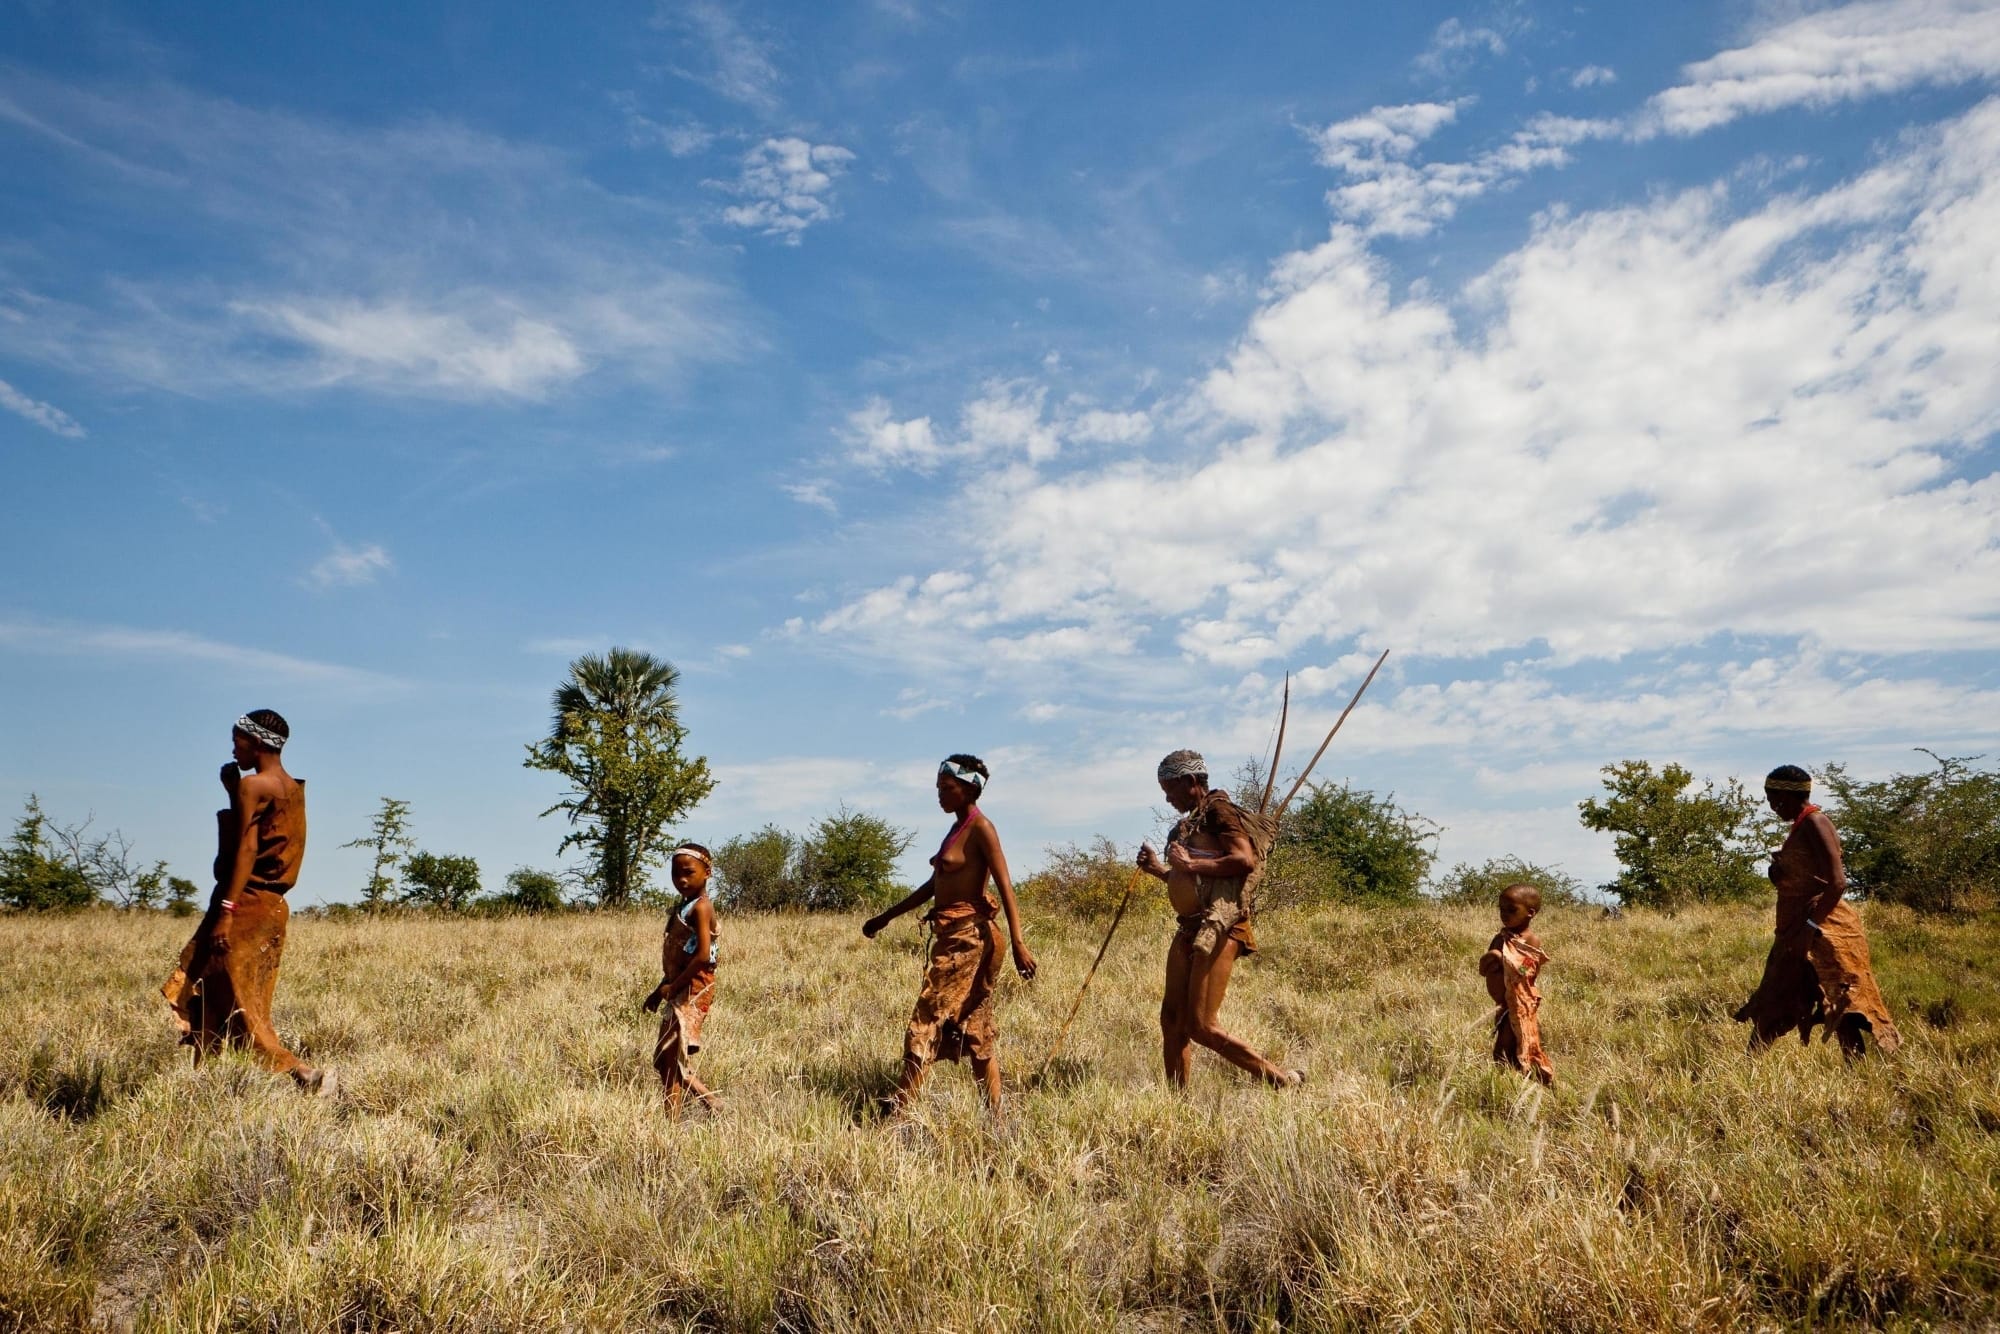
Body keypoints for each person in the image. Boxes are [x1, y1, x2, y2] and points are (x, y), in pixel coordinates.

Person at [161, 710, 325, 1093]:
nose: (233, 748)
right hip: (272, 907)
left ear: (257, 743)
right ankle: (208, 1085)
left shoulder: (255, 786)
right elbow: (266, 835)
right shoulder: (291, 787)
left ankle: (300, 1072)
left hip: (245, 904)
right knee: (223, 993)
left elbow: (246, 849)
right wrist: (232, 793)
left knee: (236, 1001)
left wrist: (226, 913)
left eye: (237, 740)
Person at [863, 755, 1036, 1116]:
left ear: (970, 788)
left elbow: (1005, 886)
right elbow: (934, 885)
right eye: (938, 788)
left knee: (928, 1020)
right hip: (952, 937)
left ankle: (900, 1113)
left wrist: (1019, 942)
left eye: (947, 789)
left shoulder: (981, 828)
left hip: (971, 941)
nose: (940, 795)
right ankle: (996, 1115)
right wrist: (885, 917)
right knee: (973, 1025)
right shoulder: (955, 829)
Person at [1137, 749, 1302, 1091]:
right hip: (1189, 928)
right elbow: (1193, 881)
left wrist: (1190, 865)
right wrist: (1159, 871)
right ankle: (1177, 1104)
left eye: (1170, 789)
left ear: (1190, 781)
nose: (1167, 798)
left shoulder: (1219, 812)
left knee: (1201, 1026)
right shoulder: (1190, 822)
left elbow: (1242, 859)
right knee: (1172, 1020)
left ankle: (1281, 1080)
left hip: (1220, 928)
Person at [1735, 765, 1902, 1059]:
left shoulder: (1816, 822)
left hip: (1827, 930)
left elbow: (1837, 882)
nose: (1773, 807)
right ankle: (1746, 1071)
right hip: (1798, 930)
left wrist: (1811, 926)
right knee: (1776, 995)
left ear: (1790, 797)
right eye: (1770, 800)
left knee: (1843, 1006)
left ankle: (1866, 1077)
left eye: (1776, 800)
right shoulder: (1802, 825)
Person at [643, 842, 720, 1115]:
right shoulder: (684, 907)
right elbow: (680, 959)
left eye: (688, 872)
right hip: (680, 986)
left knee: (671, 1059)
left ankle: (696, 1110)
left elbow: (701, 956)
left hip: (693, 989)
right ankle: (707, 1105)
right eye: (676, 874)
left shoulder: (701, 908)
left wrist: (673, 986)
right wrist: (658, 990)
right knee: (665, 1060)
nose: (682, 880)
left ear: (707, 872)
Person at [1478, 883, 1554, 1085]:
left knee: (1507, 1046)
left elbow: (1528, 969)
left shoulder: (1531, 941)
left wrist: (1505, 963)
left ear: (1530, 913)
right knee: (1510, 1044)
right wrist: (1492, 957)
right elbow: (1483, 969)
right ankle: (1515, 1081)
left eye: (1511, 910)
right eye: (1501, 909)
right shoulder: (1499, 939)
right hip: (1503, 1004)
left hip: (1519, 1003)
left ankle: (1513, 1083)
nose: (1504, 914)